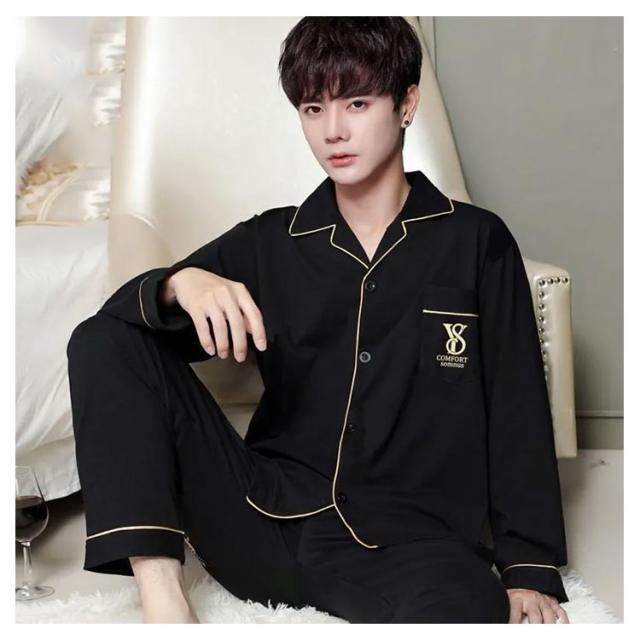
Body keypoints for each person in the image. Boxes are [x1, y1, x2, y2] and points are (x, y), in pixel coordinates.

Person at [66, 17, 570, 624]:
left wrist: (528, 566)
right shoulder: (271, 241)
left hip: (407, 544)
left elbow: (516, 402)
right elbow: (117, 343)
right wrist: (178, 283)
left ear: (406, 104)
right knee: (101, 338)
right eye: (313, 108)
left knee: (469, 606)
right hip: (261, 519)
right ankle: (165, 604)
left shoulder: (475, 242)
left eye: (357, 103)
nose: (333, 130)